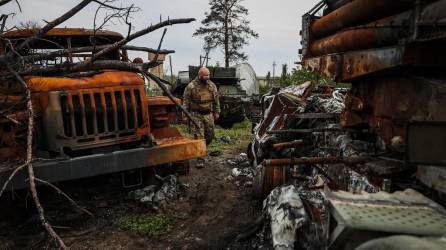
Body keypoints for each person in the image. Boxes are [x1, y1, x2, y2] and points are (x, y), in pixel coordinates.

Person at [183, 67, 220, 145]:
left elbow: (216, 99)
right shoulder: (191, 86)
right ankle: (200, 154)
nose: (207, 77)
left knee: (210, 136)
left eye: (208, 75)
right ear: (200, 75)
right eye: (205, 76)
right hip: (196, 115)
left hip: (208, 114)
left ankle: (203, 149)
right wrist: (185, 116)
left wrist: (217, 112)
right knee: (199, 137)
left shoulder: (211, 85)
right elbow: (186, 101)